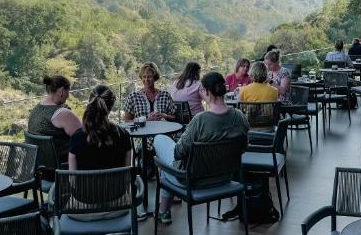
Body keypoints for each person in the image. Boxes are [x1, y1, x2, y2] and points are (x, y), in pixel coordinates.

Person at [153, 72, 249, 224]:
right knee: (166, 163)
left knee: (160, 141)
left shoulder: (200, 120)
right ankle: (163, 211)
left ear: (206, 92)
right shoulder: (239, 116)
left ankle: (163, 211)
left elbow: (178, 153)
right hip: (225, 176)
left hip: (195, 180)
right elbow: (243, 148)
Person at [67, 85, 147, 221]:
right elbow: (126, 176)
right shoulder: (123, 135)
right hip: (117, 206)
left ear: (90, 103)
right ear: (111, 105)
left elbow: (73, 180)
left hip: (82, 210)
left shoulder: (77, 137)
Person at [27, 74, 83, 166]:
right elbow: (83, 138)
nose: (68, 96)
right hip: (65, 166)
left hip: (41, 167)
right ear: (62, 91)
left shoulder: (36, 109)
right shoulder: (63, 113)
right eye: (68, 91)